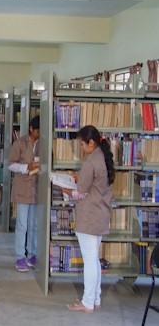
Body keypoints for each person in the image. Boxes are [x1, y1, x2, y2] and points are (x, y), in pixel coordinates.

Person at [66, 125, 114, 313]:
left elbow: (80, 193)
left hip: (89, 216)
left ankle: (87, 302)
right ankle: (95, 298)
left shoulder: (90, 161)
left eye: (82, 144)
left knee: (89, 260)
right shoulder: (103, 157)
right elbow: (95, 183)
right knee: (94, 260)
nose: (81, 147)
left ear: (91, 142)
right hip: (101, 214)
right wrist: (80, 179)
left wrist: (66, 189)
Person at [8, 115, 40, 272]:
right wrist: (26, 167)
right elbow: (10, 165)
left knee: (34, 224)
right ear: (31, 129)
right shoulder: (20, 143)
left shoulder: (43, 144)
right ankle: (20, 256)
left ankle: (32, 254)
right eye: (37, 131)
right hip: (23, 189)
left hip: (36, 189)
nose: (39, 135)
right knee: (22, 224)